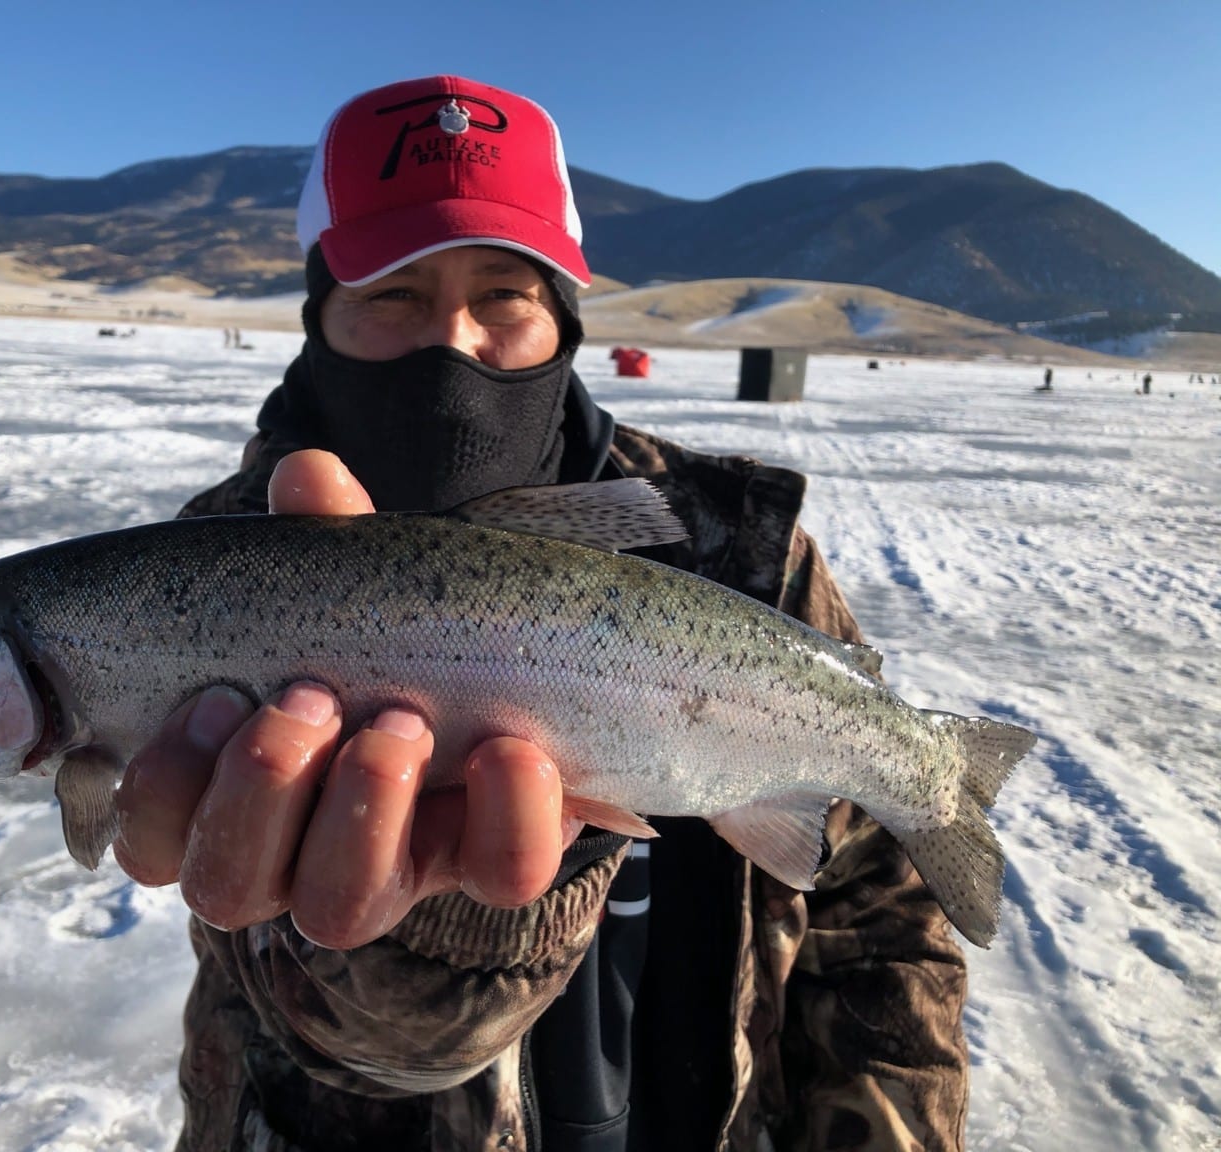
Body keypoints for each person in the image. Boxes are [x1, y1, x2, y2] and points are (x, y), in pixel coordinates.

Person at [112, 75, 969, 1152]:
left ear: (561, 315)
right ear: (318, 316)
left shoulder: (733, 549)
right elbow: (331, 1041)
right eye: (391, 292)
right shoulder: (202, 577)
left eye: (504, 293)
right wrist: (438, 918)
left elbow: (874, 915)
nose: (454, 342)